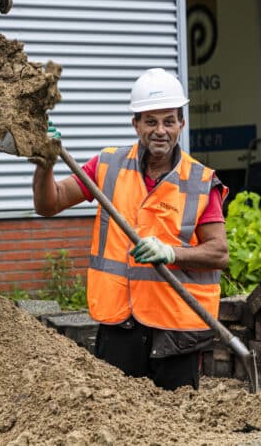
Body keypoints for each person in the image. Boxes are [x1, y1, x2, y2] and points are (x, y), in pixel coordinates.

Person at [31, 68, 229, 391]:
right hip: (120, 328)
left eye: (168, 120)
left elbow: (219, 252)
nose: (160, 130)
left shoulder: (201, 181)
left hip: (176, 335)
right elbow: (49, 203)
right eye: (150, 121)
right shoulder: (107, 166)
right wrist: (45, 162)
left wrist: (171, 252)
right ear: (135, 124)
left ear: (182, 123)